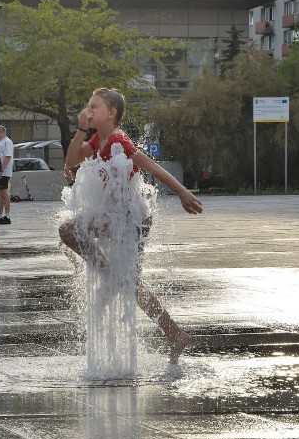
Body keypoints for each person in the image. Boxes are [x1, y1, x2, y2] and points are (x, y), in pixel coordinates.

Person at [59, 88, 203, 365]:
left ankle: (112, 278)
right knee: (123, 279)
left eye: (94, 107)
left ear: (111, 113)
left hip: (132, 219)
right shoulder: (99, 140)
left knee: (127, 283)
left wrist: (183, 193)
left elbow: (153, 168)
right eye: (87, 107)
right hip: (114, 216)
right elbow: (71, 160)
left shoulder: (118, 141)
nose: (88, 112)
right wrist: (80, 129)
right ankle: (175, 334)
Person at [0, 125, 14, 225]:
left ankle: (7, 215)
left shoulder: (7, 142)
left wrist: (1, 170)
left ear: (1, 132)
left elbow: (7, 157)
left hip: (4, 172)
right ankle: (0, 215)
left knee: (4, 193)